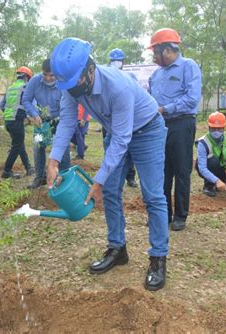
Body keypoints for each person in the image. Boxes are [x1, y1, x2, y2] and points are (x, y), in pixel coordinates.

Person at [48, 37, 169, 291]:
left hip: (146, 130)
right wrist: (54, 159)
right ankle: (117, 249)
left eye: (75, 84)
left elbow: (123, 138)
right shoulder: (71, 86)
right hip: (116, 133)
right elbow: (68, 121)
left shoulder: (119, 86)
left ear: (90, 70)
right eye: (67, 85)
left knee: (153, 196)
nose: (71, 90)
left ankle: (158, 258)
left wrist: (98, 180)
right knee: (112, 193)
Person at [148, 28, 202, 231]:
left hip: (181, 123)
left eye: (156, 52)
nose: (154, 57)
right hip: (160, 125)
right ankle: (165, 214)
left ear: (168, 49)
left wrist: (165, 109)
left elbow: (192, 98)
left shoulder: (189, 66)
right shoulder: (156, 74)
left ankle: (181, 215)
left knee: (181, 170)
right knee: (162, 171)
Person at [22, 58, 70, 189]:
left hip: (59, 120)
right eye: (45, 75)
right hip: (41, 121)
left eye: (51, 75)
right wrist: (34, 114)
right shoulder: (35, 81)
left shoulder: (63, 83)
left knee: (63, 149)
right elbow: (26, 99)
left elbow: (69, 106)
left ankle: (64, 177)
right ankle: (40, 177)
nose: (48, 78)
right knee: (38, 147)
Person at [109, 48, 138, 188]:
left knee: (129, 148)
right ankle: (113, 178)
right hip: (110, 120)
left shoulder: (130, 77)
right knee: (111, 148)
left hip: (127, 119)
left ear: (123, 62)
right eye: (113, 61)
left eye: (118, 60)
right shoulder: (107, 78)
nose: (116, 63)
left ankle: (130, 177)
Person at [0, 66, 34, 179]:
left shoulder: (10, 88)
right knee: (16, 146)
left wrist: (9, 114)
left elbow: (1, 106)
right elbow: (29, 103)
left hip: (8, 121)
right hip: (17, 121)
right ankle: (6, 170)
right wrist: (29, 116)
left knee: (19, 144)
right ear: (27, 77)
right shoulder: (26, 87)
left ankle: (28, 167)